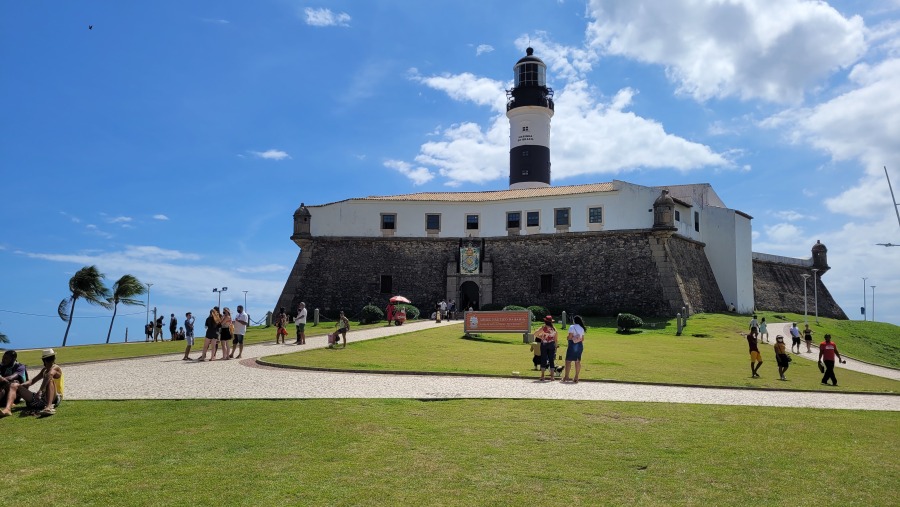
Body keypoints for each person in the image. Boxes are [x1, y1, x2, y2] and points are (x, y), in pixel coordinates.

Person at [10, 349, 62, 417]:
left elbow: (49, 375)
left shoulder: (55, 368)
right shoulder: (44, 370)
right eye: (50, 358)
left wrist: (40, 391)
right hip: (40, 399)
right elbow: (32, 381)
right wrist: (20, 385)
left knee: (50, 380)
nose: (51, 360)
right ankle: (8, 408)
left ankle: (49, 407)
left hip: (53, 399)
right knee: (14, 385)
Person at [0, 350, 28, 417]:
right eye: (3, 357)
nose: (3, 359)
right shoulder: (1, 366)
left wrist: (2, 378)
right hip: (3, 392)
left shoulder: (20, 366)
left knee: (14, 382)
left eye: (6, 358)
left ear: (13, 359)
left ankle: (8, 409)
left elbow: (11, 377)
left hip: (16, 394)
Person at [563, 315, 587, 383]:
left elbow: (570, 337)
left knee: (568, 361)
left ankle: (566, 376)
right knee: (577, 361)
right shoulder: (582, 328)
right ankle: (576, 377)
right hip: (579, 345)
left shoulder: (572, 327)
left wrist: (567, 337)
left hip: (572, 345)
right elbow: (582, 339)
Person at [534, 316, 558, 381]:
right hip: (551, 344)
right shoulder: (554, 329)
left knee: (543, 359)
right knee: (551, 360)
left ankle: (542, 375)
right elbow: (556, 339)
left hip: (544, 344)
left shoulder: (543, 328)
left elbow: (535, 333)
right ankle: (552, 376)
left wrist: (541, 337)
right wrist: (556, 346)